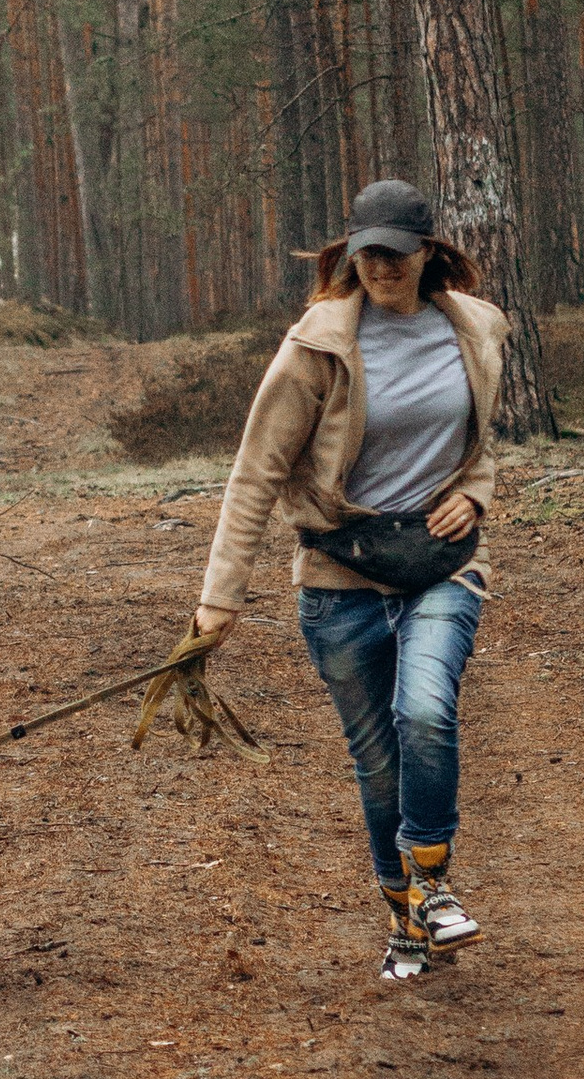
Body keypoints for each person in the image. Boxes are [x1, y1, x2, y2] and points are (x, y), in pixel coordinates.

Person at [191, 177, 505, 982]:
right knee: (378, 766)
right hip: (339, 581)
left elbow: (479, 445)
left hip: (441, 568)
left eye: (397, 254)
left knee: (426, 713)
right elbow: (255, 473)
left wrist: (472, 494)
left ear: (430, 251)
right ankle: (406, 925)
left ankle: (432, 887)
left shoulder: (475, 329)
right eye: (368, 253)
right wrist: (219, 598)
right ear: (350, 252)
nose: (382, 268)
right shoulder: (317, 346)